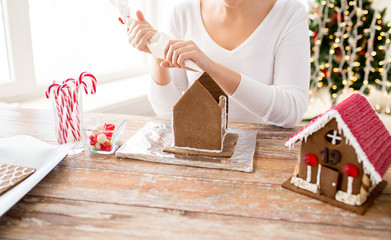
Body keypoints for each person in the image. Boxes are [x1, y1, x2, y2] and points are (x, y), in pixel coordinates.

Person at [127, 0, 310, 128]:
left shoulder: (289, 13)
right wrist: (158, 54)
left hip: (264, 158)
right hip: (201, 153)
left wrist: (211, 68)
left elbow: (291, 112)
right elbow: (168, 113)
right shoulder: (183, 12)